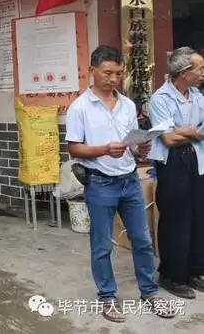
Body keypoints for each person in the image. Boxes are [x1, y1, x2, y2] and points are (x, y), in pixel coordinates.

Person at [65, 45, 174, 322]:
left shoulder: (127, 105)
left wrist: (141, 150)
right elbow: (74, 149)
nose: (114, 79)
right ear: (93, 71)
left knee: (142, 240)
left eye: (118, 73)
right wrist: (103, 150)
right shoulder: (79, 107)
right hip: (100, 184)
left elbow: (130, 146)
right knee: (102, 245)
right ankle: (108, 298)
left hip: (130, 182)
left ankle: (149, 292)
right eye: (107, 73)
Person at [148, 46, 204, 299]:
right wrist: (193, 132)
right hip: (173, 163)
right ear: (184, 72)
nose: (203, 72)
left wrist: (189, 132)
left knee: (198, 216)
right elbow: (169, 139)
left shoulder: (198, 96)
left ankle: (194, 270)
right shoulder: (160, 99)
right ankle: (171, 274)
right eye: (200, 68)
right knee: (176, 219)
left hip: (198, 160)